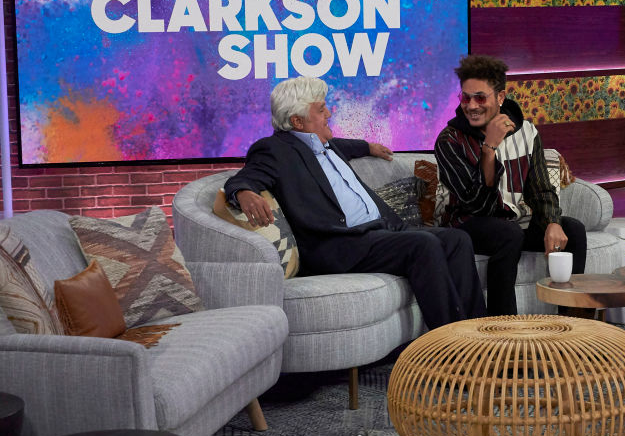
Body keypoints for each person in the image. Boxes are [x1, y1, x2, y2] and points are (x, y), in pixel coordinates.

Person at [224, 76, 485, 329]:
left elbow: (344, 145)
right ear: (297, 121)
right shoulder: (274, 150)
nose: (329, 113)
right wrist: (244, 192)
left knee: (457, 239)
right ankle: (450, 345)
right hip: (340, 244)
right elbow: (244, 178)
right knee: (423, 244)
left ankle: (478, 333)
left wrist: (367, 146)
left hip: (379, 231)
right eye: (321, 109)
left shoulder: (324, 143)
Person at [434, 55, 587, 316]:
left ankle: (573, 322)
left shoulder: (527, 132)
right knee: (508, 234)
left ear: (500, 97)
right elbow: (476, 204)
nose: (471, 106)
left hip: (513, 221)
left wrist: (552, 221)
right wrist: (489, 148)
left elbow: (541, 189)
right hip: (465, 225)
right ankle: (502, 326)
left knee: (572, 229)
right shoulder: (449, 141)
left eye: (480, 98)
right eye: (465, 98)